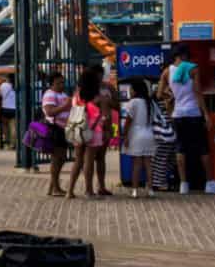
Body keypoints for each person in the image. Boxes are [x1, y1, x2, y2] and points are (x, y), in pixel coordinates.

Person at [165, 47, 215, 194]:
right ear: (184, 55)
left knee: (180, 148)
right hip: (193, 113)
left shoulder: (168, 71)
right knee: (203, 148)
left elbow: (161, 92)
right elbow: (198, 92)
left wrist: (172, 101)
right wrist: (206, 114)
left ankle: (183, 185)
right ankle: (210, 183)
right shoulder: (193, 69)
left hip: (178, 115)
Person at [65, 68, 112, 199]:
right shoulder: (100, 98)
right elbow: (106, 117)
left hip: (78, 129)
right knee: (89, 161)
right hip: (94, 131)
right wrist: (107, 130)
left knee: (78, 160)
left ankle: (70, 190)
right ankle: (88, 190)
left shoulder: (76, 97)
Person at [122, 78, 158, 198]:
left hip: (136, 135)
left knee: (136, 164)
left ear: (135, 90)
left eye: (131, 89)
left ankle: (135, 190)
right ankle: (150, 189)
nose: (130, 91)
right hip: (149, 134)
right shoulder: (150, 102)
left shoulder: (133, 102)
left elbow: (128, 121)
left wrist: (125, 135)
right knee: (148, 163)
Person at [40, 74, 71, 197]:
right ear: (52, 84)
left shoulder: (62, 95)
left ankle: (53, 186)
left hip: (62, 128)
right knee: (57, 158)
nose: (61, 85)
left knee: (61, 158)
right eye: (58, 83)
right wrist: (65, 106)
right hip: (54, 128)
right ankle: (55, 187)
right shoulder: (50, 94)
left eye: (63, 82)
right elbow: (49, 111)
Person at [0, 75, 18, 149]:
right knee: (14, 127)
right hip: (15, 109)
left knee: (5, 126)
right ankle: (13, 143)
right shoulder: (17, 85)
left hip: (5, 108)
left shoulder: (3, 85)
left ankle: (7, 140)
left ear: (8, 78)